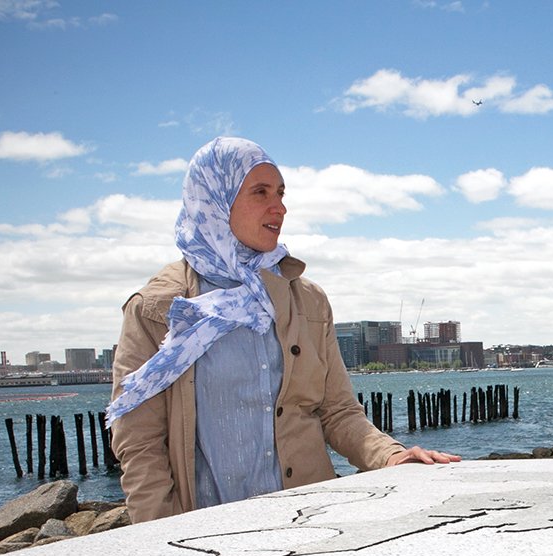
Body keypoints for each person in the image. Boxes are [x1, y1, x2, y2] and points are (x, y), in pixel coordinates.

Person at [108, 137, 457, 523]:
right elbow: (139, 443)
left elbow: (338, 411)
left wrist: (390, 455)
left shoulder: (305, 300)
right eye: (260, 192)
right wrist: (157, 536)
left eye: (281, 193)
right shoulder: (157, 309)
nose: (280, 207)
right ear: (214, 200)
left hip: (308, 522)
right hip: (208, 532)